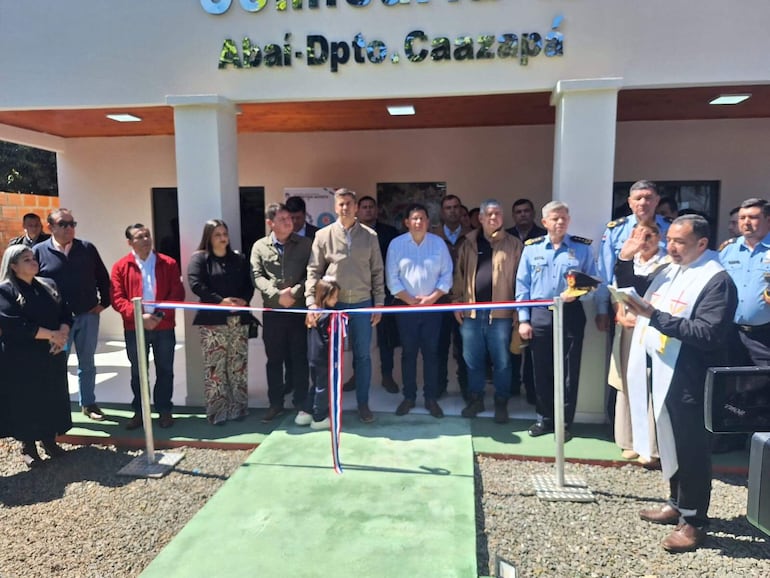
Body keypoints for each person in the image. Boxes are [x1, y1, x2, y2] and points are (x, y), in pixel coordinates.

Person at [618, 214, 737, 553]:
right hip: (666, 368)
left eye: (679, 242)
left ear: (702, 244)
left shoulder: (716, 280)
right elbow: (641, 291)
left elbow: (708, 334)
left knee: (692, 448)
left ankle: (695, 522)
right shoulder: (673, 269)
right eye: (669, 239)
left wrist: (654, 316)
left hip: (691, 376)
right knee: (669, 440)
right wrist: (624, 261)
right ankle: (676, 502)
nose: (670, 247)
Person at [516, 201, 602, 439]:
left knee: (569, 371)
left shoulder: (581, 248)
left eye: (564, 218)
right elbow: (522, 286)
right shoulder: (532, 249)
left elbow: (593, 281)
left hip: (571, 313)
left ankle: (564, 423)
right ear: (545, 222)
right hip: (541, 313)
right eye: (555, 218)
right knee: (541, 369)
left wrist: (575, 293)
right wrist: (524, 319)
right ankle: (544, 419)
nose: (560, 222)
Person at [305, 188, 385, 423]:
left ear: (356, 206)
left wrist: (379, 302)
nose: (345, 208)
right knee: (331, 358)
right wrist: (312, 303)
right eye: (341, 204)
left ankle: (363, 404)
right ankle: (329, 405)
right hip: (332, 306)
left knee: (363, 357)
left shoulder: (370, 236)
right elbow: (313, 271)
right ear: (335, 207)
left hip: (362, 304)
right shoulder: (323, 235)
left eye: (349, 203)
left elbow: (377, 272)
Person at [598, 180, 669, 436]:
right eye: (638, 198)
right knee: (622, 370)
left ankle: (652, 435)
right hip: (623, 314)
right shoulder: (616, 230)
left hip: (659, 318)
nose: (643, 203)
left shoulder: (670, 229)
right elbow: (606, 273)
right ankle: (618, 428)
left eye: (648, 197)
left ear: (657, 200)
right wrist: (605, 309)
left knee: (654, 375)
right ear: (629, 202)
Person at [34, 208, 111, 422]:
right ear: (51, 227)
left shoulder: (87, 248)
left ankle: (89, 404)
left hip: (87, 315)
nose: (69, 228)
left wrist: (103, 303)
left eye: (72, 224)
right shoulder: (39, 251)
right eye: (64, 224)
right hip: (57, 323)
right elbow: (32, 285)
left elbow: (103, 279)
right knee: (57, 364)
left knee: (87, 362)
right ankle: (58, 407)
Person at [0, 246, 73, 467]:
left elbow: (65, 313)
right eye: (26, 259)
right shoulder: (6, 291)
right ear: (13, 265)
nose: (33, 262)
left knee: (50, 395)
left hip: (51, 352)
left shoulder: (48, 285)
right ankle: (28, 446)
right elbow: (15, 324)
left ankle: (49, 440)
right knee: (27, 400)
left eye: (33, 258)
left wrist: (61, 336)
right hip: (22, 357)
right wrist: (53, 335)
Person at [110, 224, 185, 430]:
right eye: (139, 237)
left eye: (147, 235)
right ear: (129, 242)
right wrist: (139, 316)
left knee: (165, 370)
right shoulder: (121, 267)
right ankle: (140, 412)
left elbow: (177, 293)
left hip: (163, 326)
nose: (145, 240)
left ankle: (164, 410)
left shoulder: (168, 263)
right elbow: (117, 298)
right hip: (135, 328)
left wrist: (158, 316)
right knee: (138, 371)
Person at [454, 199, 522, 423]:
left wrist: (518, 310)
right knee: (472, 360)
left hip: (501, 314)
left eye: (498, 214)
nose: (494, 218)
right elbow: (459, 276)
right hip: (472, 314)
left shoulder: (514, 245)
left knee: (501, 361)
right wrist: (457, 302)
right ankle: (476, 399)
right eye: (489, 215)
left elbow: (521, 281)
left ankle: (501, 402)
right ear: (481, 218)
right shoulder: (468, 243)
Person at [386, 203, 453, 418]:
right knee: (409, 354)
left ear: (428, 221)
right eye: (414, 218)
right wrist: (409, 300)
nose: (418, 222)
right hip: (406, 309)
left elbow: (447, 275)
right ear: (407, 222)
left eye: (422, 218)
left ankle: (430, 398)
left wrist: (432, 298)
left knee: (432, 354)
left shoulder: (438, 244)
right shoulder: (396, 245)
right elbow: (392, 278)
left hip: (432, 309)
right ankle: (409, 397)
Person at [187, 219, 255, 425]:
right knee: (216, 368)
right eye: (217, 234)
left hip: (238, 319)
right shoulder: (200, 259)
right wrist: (220, 301)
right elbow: (196, 284)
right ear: (209, 237)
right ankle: (218, 412)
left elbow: (248, 284)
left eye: (224, 234)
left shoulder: (239, 258)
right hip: (213, 321)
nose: (222, 238)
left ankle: (239, 409)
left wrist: (243, 300)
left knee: (238, 366)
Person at [609, 223, 667, 464]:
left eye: (649, 235)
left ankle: (651, 447)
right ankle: (629, 440)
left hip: (654, 330)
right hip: (628, 329)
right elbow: (616, 290)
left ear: (659, 237)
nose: (643, 240)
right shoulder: (629, 261)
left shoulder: (666, 264)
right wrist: (619, 313)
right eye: (637, 235)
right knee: (628, 382)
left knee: (651, 385)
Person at [716, 198, 770, 453]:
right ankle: (732, 435)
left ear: (767, 220)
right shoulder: (727, 250)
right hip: (732, 332)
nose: (747, 222)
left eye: (754, 217)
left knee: (763, 385)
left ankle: (759, 439)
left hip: (764, 333)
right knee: (732, 385)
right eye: (743, 218)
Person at [251, 203, 312, 423]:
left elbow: (313, 273)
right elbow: (257, 276)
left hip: (298, 310)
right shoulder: (260, 246)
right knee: (274, 360)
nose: (289, 222)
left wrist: (294, 292)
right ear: (271, 223)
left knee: (299, 358)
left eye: (290, 218)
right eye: (283, 218)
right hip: (273, 312)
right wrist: (277, 295)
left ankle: (302, 403)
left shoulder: (305, 244)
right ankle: (275, 403)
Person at [344, 195, 401, 394]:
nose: (368, 210)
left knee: (386, 338)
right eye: (364, 207)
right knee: (357, 339)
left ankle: (387, 375)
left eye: (371, 207)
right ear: (358, 210)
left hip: (382, 292)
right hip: (357, 292)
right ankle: (356, 375)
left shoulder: (389, 232)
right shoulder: (351, 233)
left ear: (376, 210)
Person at [506, 198, 547, 403]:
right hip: (509, 299)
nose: (522, 214)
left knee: (533, 350)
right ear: (513, 216)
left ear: (533, 214)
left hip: (534, 300)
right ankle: (513, 385)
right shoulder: (507, 236)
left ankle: (532, 391)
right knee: (511, 347)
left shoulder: (543, 236)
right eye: (518, 212)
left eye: (526, 211)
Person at [432, 194, 472, 399]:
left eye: (456, 207)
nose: (453, 211)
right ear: (442, 212)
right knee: (439, 347)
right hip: (439, 299)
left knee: (465, 347)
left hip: (464, 300)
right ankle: (439, 387)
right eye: (448, 207)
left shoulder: (473, 235)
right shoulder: (433, 236)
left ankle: (467, 388)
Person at [296, 276, 340, 430]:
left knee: (315, 384)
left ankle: (306, 412)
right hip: (324, 358)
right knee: (323, 387)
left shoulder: (313, 314)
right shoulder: (328, 315)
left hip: (313, 357)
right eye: (333, 297)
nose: (336, 300)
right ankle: (319, 417)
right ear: (324, 296)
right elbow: (329, 339)